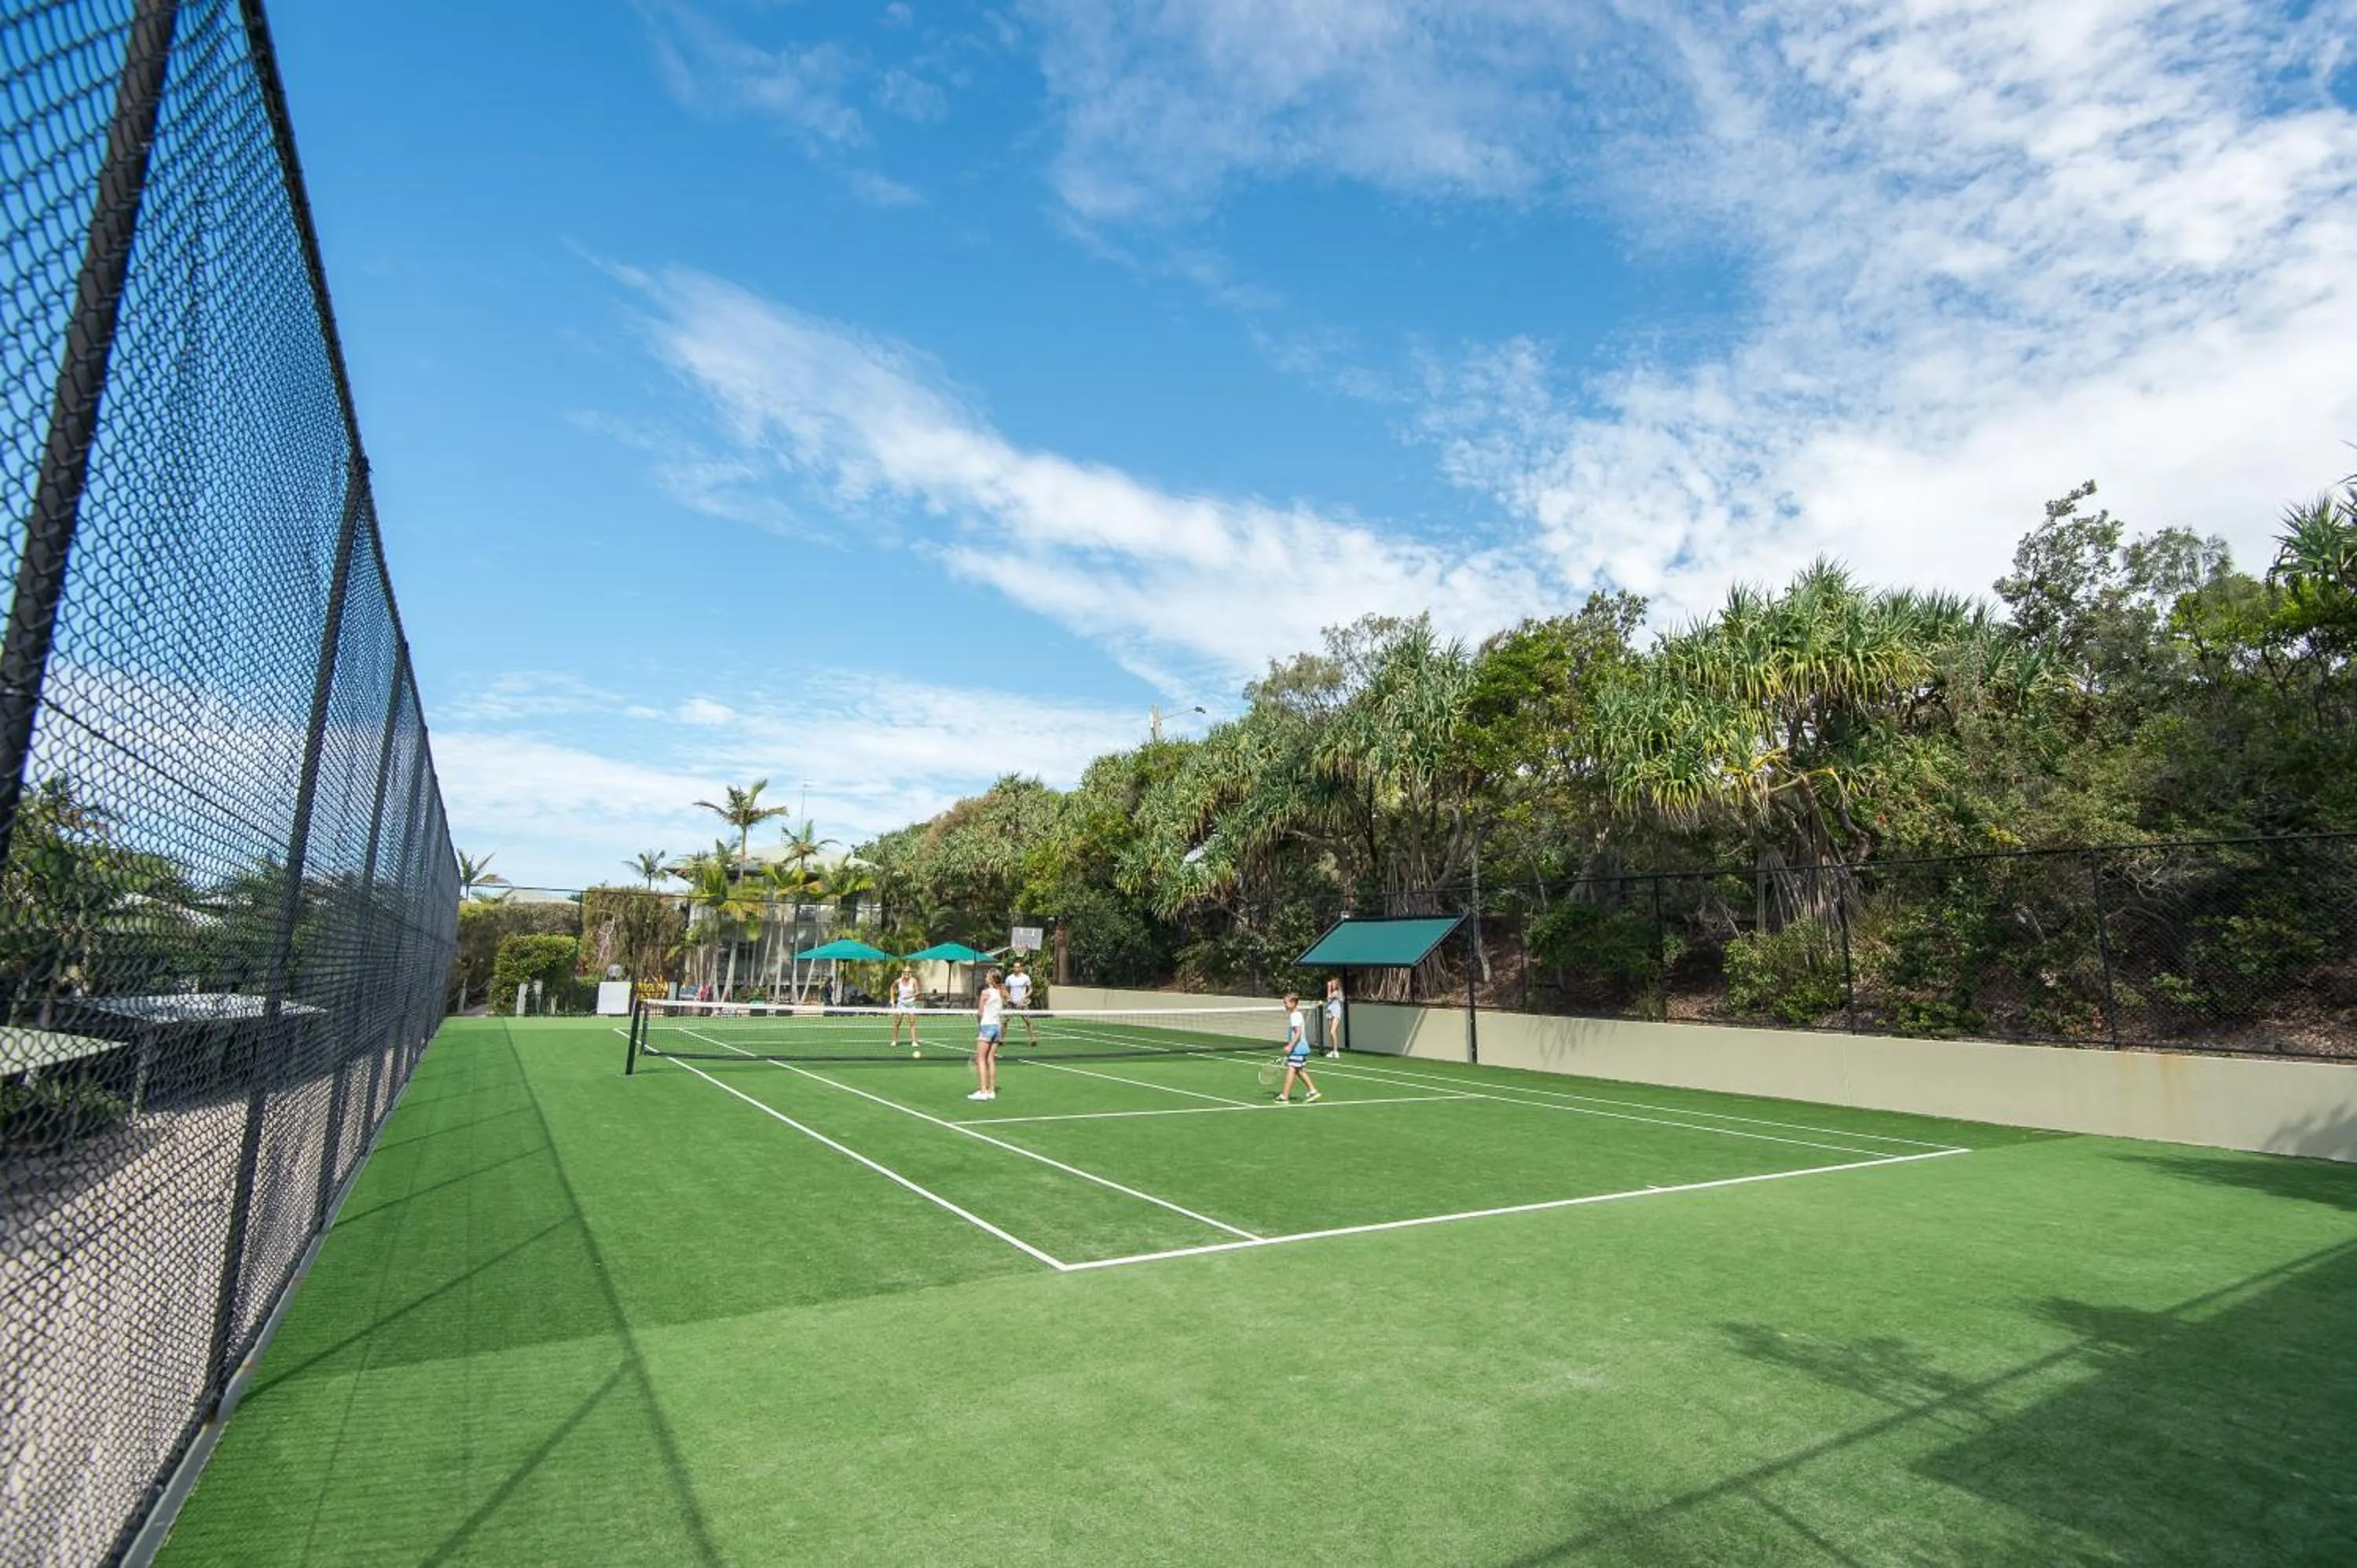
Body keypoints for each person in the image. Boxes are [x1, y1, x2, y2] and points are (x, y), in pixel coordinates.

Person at [1274, 991, 1319, 1105]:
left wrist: (1290, 1046)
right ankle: (1313, 1091)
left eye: (1286, 1003)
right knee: (1299, 1070)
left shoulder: (1295, 1016)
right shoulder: (1295, 1015)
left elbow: (1298, 1033)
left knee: (1292, 1069)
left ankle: (1285, 1096)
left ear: (1293, 1003)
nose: (1284, 1005)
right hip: (1300, 1048)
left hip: (1298, 1048)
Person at [970, 970, 1006, 1101]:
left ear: (991, 979)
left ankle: (983, 1091)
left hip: (987, 1027)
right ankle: (991, 1091)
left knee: (980, 1059)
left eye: (987, 976)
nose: (985, 977)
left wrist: (980, 1027)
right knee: (990, 1059)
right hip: (997, 1028)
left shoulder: (985, 993)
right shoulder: (1000, 993)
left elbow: (980, 1013)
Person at [1003, 960, 1040, 1046]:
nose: (1016, 968)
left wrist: (1025, 997)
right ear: (1013, 968)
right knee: (1004, 1021)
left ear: (1021, 968)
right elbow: (1005, 990)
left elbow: (1031, 989)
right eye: (1015, 967)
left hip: (1023, 1004)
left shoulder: (1026, 978)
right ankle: (1002, 1040)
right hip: (1012, 1004)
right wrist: (1009, 998)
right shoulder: (1009, 978)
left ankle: (1033, 1040)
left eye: (1018, 967)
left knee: (1028, 1021)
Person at [890, 967, 923, 1056]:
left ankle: (914, 1041)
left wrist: (910, 997)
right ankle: (894, 1041)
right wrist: (892, 998)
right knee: (897, 1022)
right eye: (905, 972)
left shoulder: (914, 981)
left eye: (908, 972)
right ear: (903, 973)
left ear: (910, 973)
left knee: (912, 1022)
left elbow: (918, 992)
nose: (907, 974)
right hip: (901, 1004)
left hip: (911, 1004)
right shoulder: (898, 981)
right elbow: (892, 987)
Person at [1322, 976, 1344, 1057]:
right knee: (1332, 1033)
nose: (1332, 985)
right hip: (1330, 1011)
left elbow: (1328, 998)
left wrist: (1328, 987)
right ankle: (1333, 1050)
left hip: (1336, 1012)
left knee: (1332, 1031)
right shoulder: (1334, 992)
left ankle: (1335, 1051)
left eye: (1333, 984)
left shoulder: (1337, 992)